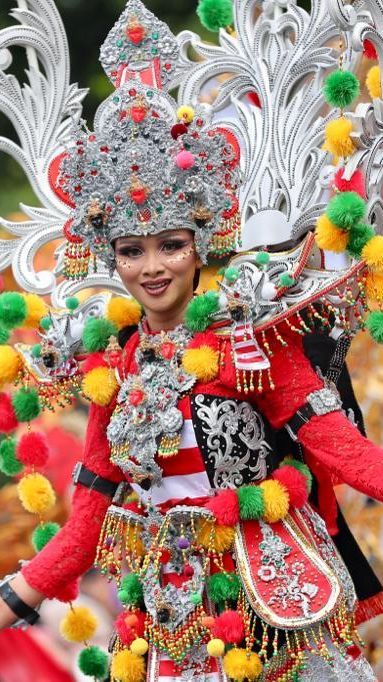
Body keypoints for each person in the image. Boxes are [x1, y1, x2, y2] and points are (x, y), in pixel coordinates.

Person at [1, 1, 383, 681]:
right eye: (132, 250)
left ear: (199, 246)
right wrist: (12, 600)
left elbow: (342, 451)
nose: (152, 267)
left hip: (273, 617)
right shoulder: (110, 369)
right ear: (109, 257)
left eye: (171, 245)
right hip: (165, 628)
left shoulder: (250, 341)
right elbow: (85, 528)